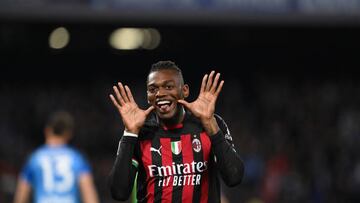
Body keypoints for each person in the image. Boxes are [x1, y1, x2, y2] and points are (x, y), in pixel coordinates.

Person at [109, 60, 244, 202]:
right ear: (148, 96)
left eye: (168, 86)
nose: (160, 93)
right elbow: (119, 192)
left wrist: (210, 124)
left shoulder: (209, 124)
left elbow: (234, 177)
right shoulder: (140, 133)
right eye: (153, 89)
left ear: (184, 90)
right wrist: (129, 134)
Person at [13, 111, 99, 203]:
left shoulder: (35, 158)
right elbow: (89, 195)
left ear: (47, 130)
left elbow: (21, 196)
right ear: (69, 134)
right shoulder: (76, 158)